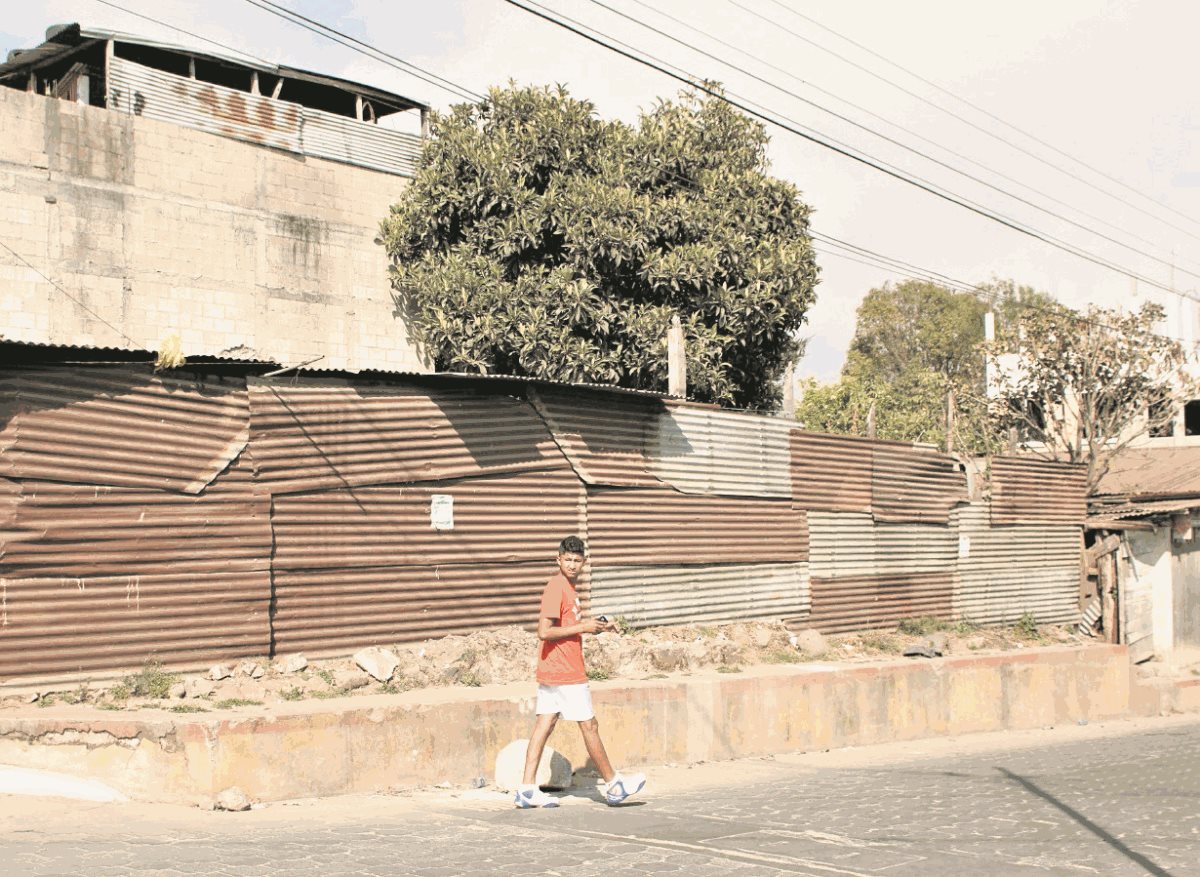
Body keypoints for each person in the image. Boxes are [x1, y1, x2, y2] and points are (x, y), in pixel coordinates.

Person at [513, 535, 646, 809]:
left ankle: (526, 789)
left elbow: (571, 626)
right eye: (567, 560)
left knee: (544, 725)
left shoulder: (570, 591)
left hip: (555, 671)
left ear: (583, 562)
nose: (572, 565)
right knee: (589, 725)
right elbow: (544, 632)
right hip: (565, 673)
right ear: (557, 559)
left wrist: (598, 626)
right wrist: (584, 627)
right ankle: (613, 785)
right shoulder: (556, 587)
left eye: (577, 560)